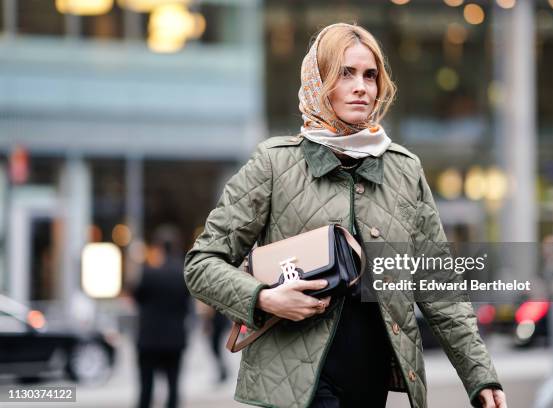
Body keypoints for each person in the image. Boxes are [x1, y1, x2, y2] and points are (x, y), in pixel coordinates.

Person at [185, 23, 506, 408]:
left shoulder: (404, 169)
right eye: (345, 73)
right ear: (318, 81)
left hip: (371, 380)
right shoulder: (274, 162)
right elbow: (201, 264)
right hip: (295, 385)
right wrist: (265, 298)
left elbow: (439, 286)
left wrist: (480, 374)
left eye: (370, 75)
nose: (362, 87)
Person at [132, 226, 192, 408]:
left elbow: (137, 297)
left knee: (146, 388)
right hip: (174, 338)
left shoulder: (148, 272)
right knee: (173, 387)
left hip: (148, 339)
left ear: (158, 246)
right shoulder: (183, 274)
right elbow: (186, 305)